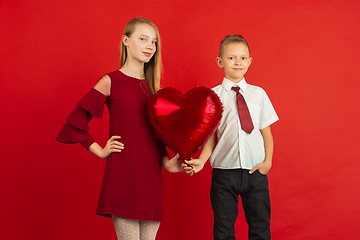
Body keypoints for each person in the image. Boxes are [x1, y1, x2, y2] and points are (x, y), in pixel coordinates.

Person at [56, 17, 183, 240]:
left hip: (151, 179)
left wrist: (169, 163)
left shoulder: (156, 89)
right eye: (143, 39)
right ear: (126, 40)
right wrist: (100, 150)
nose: (149, 46)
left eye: (153, 42)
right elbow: (75, 122)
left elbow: (158, 137)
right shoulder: (111, 81)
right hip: (123, 175)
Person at [183, 35, 279, 240]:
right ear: (220, 61)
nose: (238, 62)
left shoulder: (258, 94)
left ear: (250, 61)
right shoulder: (212, 96)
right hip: (224, 174)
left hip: (255, 172)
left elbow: (266, 133)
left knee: (260, 226)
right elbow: (210, 136)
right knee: (223, 229)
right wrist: (202, 159)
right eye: (231, 58)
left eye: (243, 58)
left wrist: (267, 162)